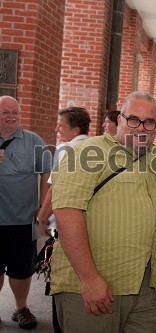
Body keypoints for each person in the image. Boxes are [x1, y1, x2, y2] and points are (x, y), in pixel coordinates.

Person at [49, 91, 156, 332]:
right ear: (119, 120)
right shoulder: (88, 153)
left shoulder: (154, 155)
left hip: (142, 286)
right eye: (133, 119)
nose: (141, 128)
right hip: (94, 286)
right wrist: (89, 279)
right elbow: (66, 214)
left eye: (149, 122)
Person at [36, 106, 91, 333]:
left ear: (75, 129)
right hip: (86, 223)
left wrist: (41, 217)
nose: (57, 129)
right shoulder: (93, 146)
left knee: (59, 281)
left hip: (63, 225)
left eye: (61, 125)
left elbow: (55, 188)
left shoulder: (66, 149)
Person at [0, 95, 52, 330]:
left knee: (22, 270)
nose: (11, 116)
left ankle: (21, 308)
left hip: (22, 219)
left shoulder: (34, 141)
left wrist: (42, 206)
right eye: (5, 112)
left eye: (15, 112)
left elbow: (47, 174)